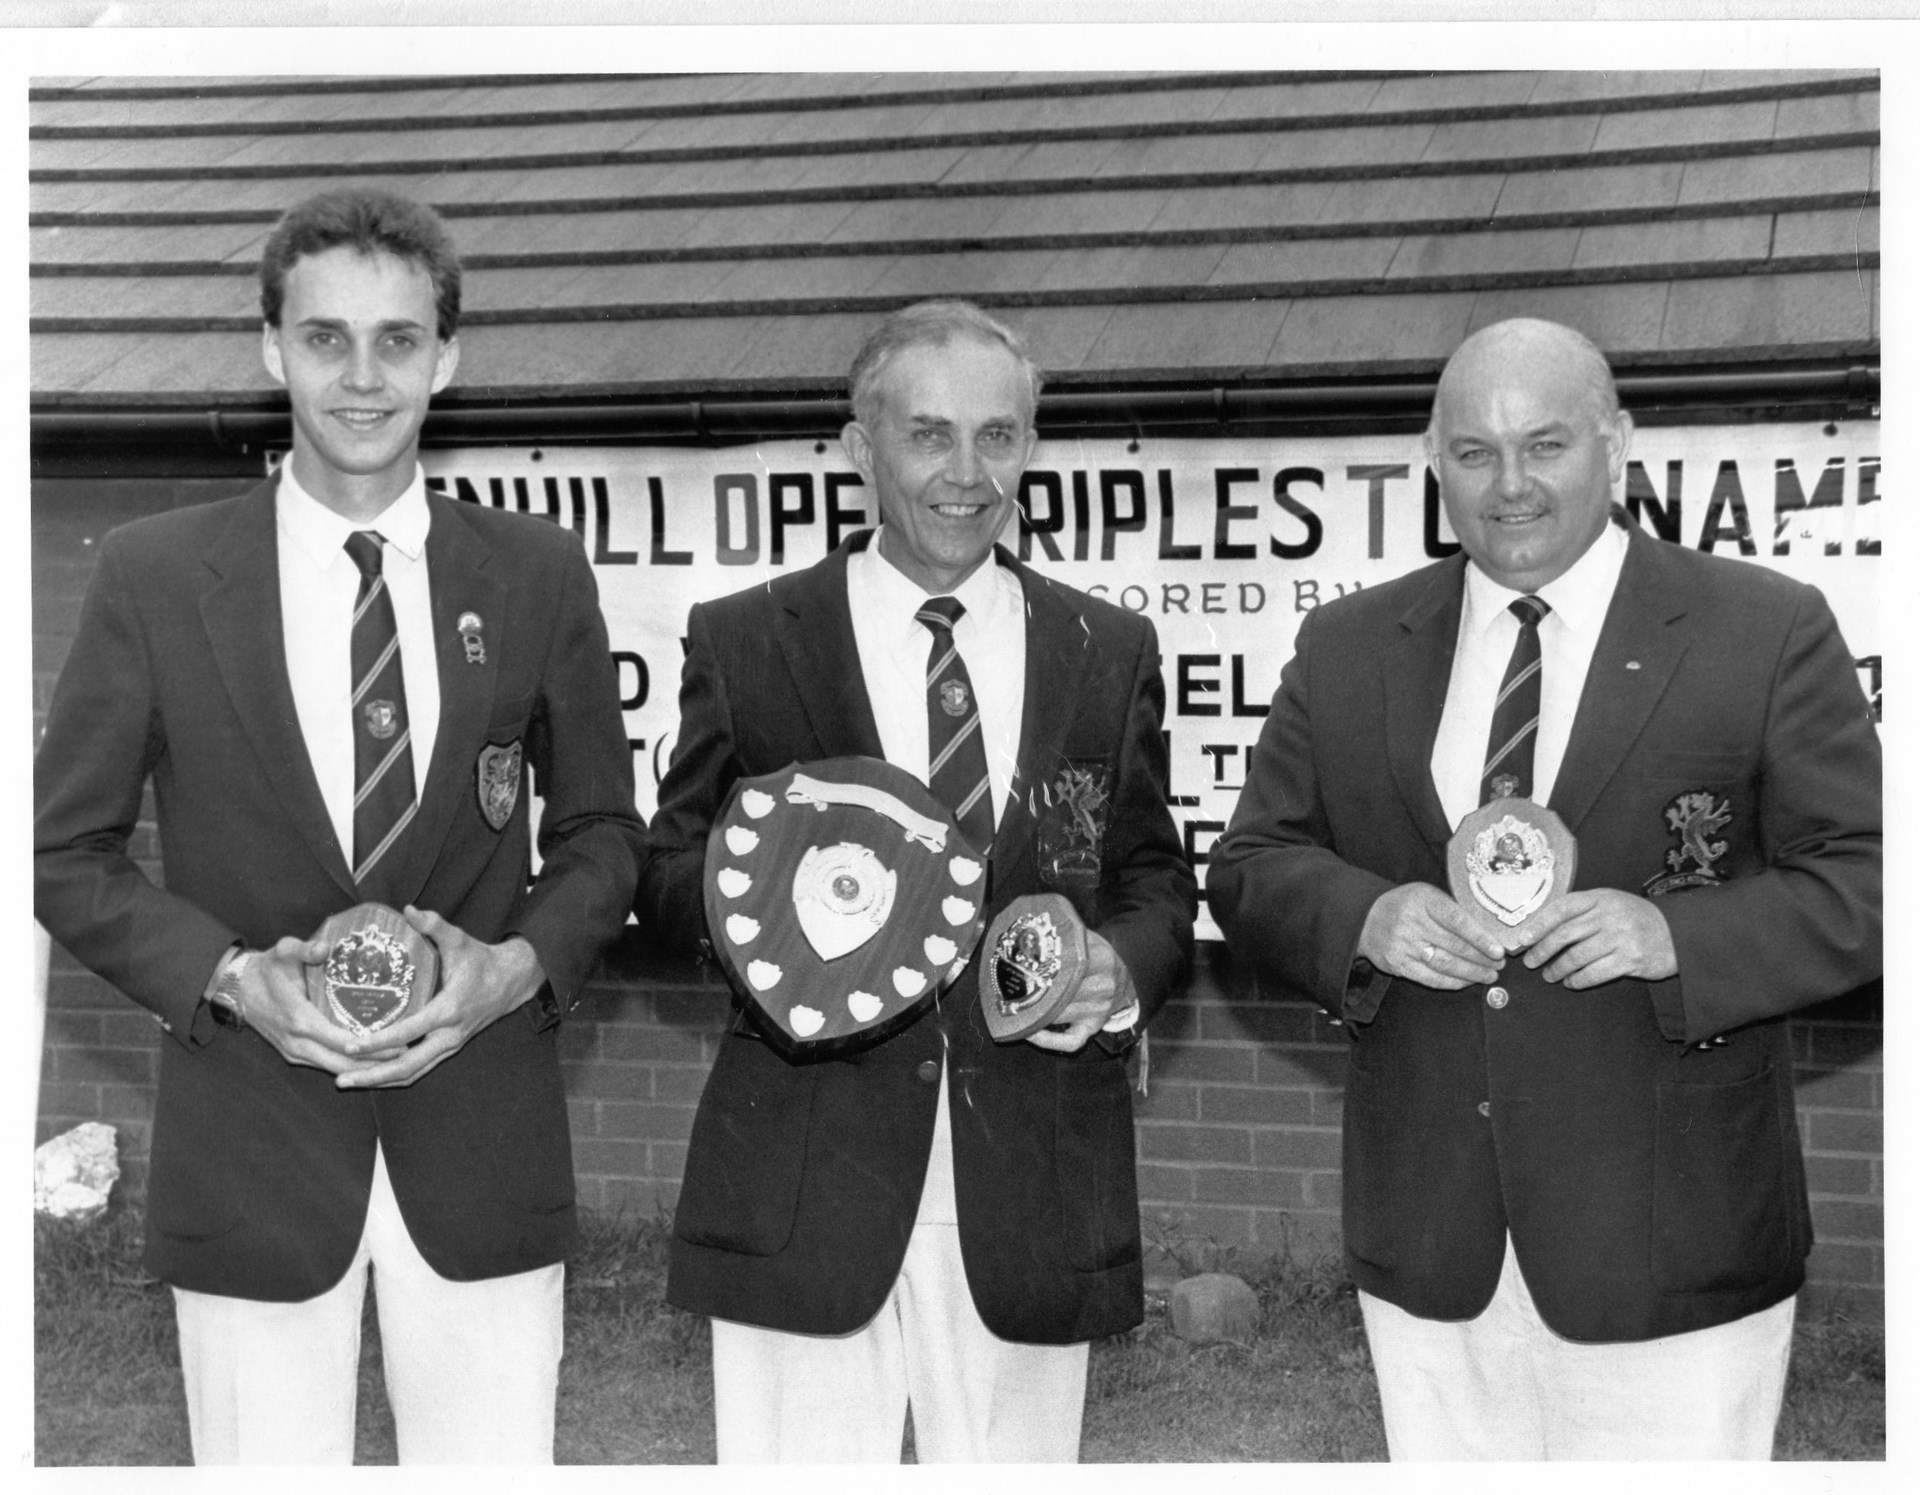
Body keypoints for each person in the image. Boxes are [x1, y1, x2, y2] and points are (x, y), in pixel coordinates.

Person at [34, 188, 645, 1464]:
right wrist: (233, 977)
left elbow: (600, 834)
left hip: (480, 1142)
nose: (363, 378)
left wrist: (510, 971)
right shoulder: (154, 573)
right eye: (326, 339)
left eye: (399, 340)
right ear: (272, 350)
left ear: (448, 357)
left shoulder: (536, 571)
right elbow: (63, 853)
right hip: (251, 1147)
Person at [1207, 317, 1881, 1460]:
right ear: (1433, 463)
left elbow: (1870, 882)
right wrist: (1365, 917)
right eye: (1473, 452)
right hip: (1431, 1236)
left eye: (1546, 444)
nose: (1509, 484)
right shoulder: (1349, 644)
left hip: (1673, 1238)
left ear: (1618, 444)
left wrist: (1674, 936)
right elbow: (1252, 865)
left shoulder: (1763, 629)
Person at [635, 299, 1197, 1463]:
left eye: (998, 436)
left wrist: (1118, 971)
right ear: (861, 446)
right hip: (804, 1169)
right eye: (930, 434)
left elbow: (1152, 879)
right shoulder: (749, 638)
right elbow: (668, 869)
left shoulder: (1104, 648)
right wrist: (772, 923)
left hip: (1035, 1179)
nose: (966, 472)